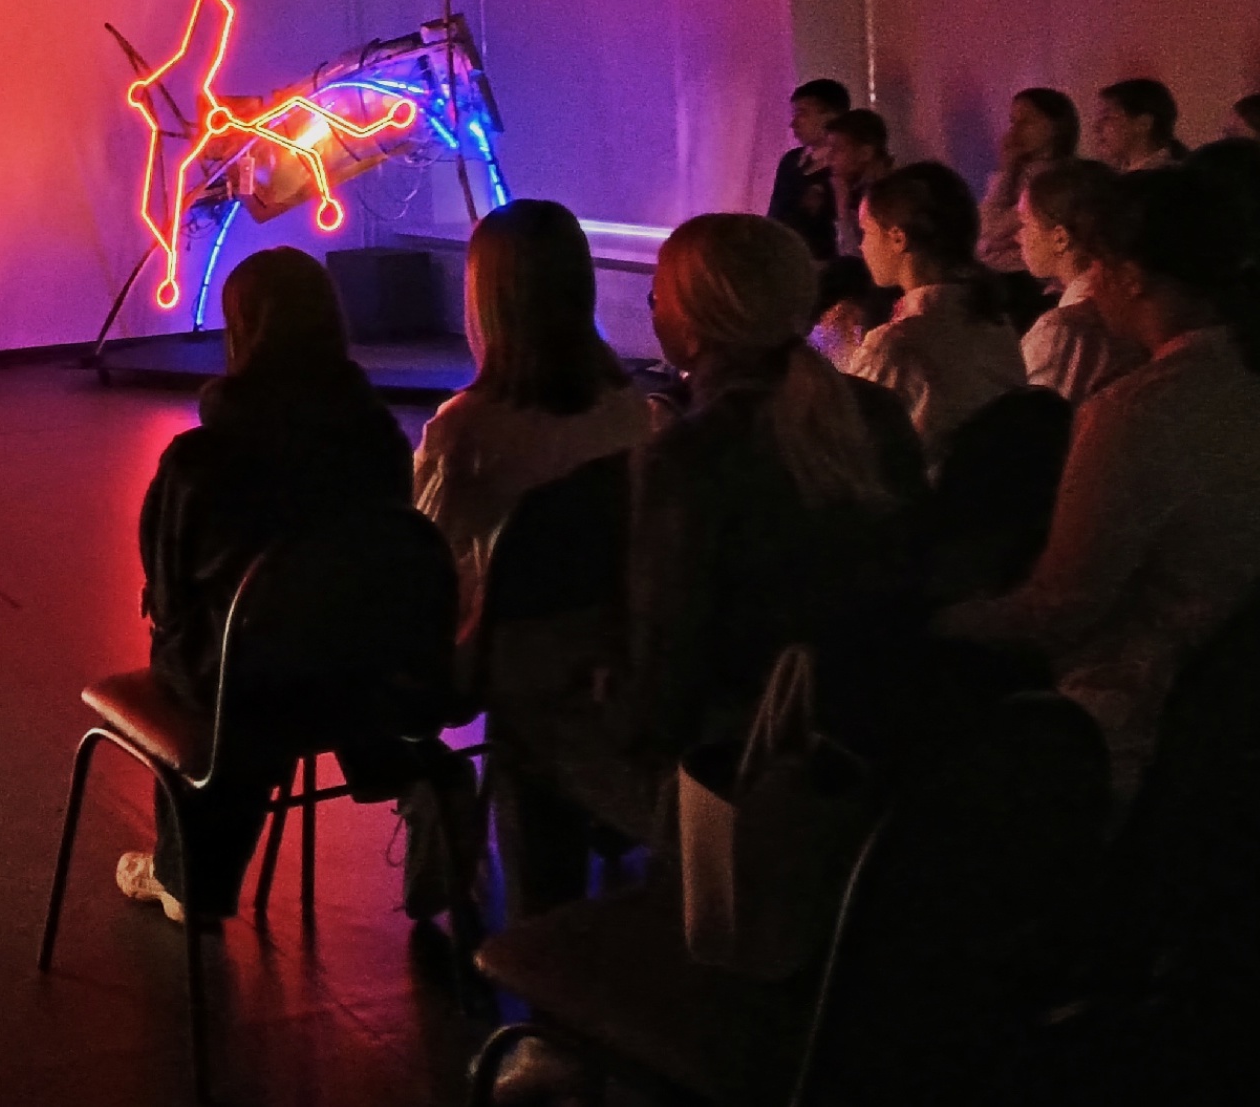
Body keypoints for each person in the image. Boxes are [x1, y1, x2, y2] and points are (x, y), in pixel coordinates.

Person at [487, 215, 926, 910]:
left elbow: (666, 688)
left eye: (658, 295)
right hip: (871, 740)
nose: (652, 308)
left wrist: (599, 688)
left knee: (524, 723)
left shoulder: (687, 459)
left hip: (736, 773)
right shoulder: (875, 415)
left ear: (692, 326)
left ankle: (553, 952)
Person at [940, 166, 1260, 800]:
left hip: (1133, 722)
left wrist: (941, 619)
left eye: (1098, 266)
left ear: (1130, 275)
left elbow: (1061, 607)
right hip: (1227, 713)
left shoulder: (1141, 410)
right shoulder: (1236, 378)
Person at [123, 247, 411, 921]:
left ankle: (185, 873)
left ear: (241, 332)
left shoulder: (200, 462)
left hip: (245, 688)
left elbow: (168, 597)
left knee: (200, 655)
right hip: (356, 674)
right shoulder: (382, 442)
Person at [415, 200, 651, 644]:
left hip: (495, 652)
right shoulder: (631, 407)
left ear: (485, 297)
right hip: (604, 644)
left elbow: (419, 561)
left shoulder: (464, 431)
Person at [850, 162, 1027, 457]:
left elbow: (848, 448)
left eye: (866, 232)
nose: (861, 246)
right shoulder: (997, 323)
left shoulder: (894, 346)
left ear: (898, 238)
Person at [1017, 160, 1143, 405]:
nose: (1017, 236)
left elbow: (1033, 417)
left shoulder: (1061, 331)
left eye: (1024, 223)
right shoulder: (1129, 304)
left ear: (1060, 239)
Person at [979, 87, 1081, 275]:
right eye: (1013, 122)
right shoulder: (1018, 171)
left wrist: (1006, 170)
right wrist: (1007, 169)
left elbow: (991, 227)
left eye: (1026, 122)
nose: (1014, 131)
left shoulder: (1056, 179)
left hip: (1026, 276)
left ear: (1055, 127)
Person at [767, 79, 851, 261]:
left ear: (832, 117)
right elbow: (776, 215)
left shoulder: (846, 165)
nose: (794, 123)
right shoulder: (791, 160)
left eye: (802, 113)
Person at [824, 107, 894, 257]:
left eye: (837, 149)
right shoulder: (855, 188)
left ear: (865, 153)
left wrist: (842, 207)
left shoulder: (888, 196)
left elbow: (855, 258)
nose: (829, 158)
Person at [1094, 78, 1188, 171]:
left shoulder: (1171, 176)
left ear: (1143, 123)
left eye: (1107, 117)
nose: (1097, 127)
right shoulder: (1117, 173)